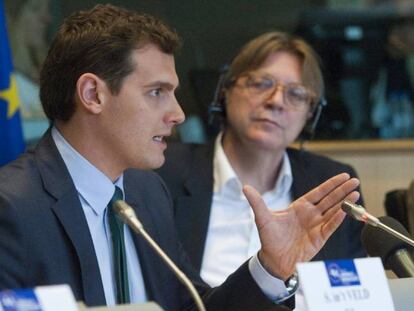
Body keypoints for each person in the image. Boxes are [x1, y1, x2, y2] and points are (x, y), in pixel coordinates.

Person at [0, 5, 360, 311]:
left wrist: (270, 268)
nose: (177, 114)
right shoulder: (12, 207)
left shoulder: (145, 193)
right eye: (156, 92)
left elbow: (193, 307)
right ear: (93, 94)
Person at [157, 31, 366, 296]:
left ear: (310, 115)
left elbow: (352, 294)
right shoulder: (164, 173)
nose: (276, 101)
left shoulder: (334, 182)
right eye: (260, 83)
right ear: (226, 91)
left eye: (296, 94)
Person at [5, 0, 51, 142]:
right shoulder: (4, 79)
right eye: (35, 9)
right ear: (13, 17)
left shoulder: (53, 70)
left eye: (46, 11)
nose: (46, 19)